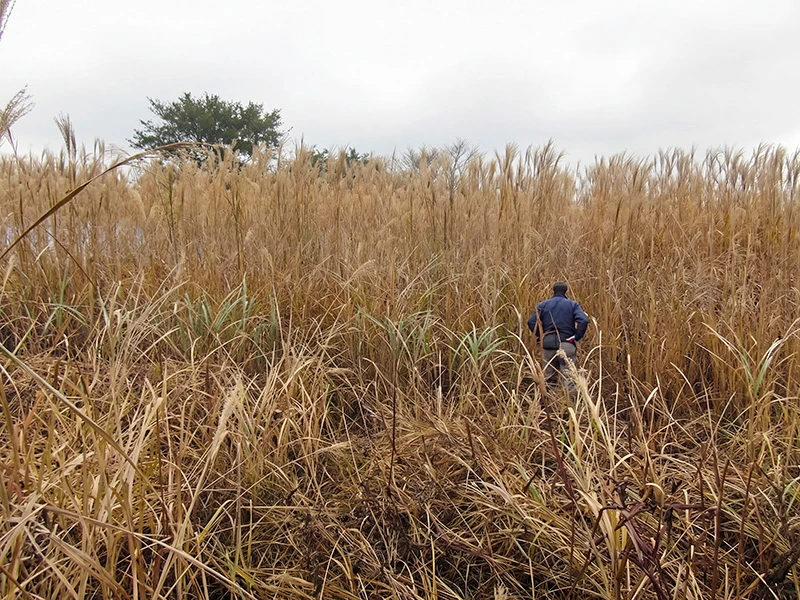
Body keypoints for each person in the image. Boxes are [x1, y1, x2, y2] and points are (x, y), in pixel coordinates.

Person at [527, 281, 589, 390]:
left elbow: (531, 322)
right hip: (567, 343)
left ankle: (548, 405)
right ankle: (570, 405)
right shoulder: (573, 304)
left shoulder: (543, 305)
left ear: (553, 291)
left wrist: (542, 336)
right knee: (569, 379)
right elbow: (583, 320)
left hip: (548, 344)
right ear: (566, 291)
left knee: (548, 379)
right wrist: (576, 337)